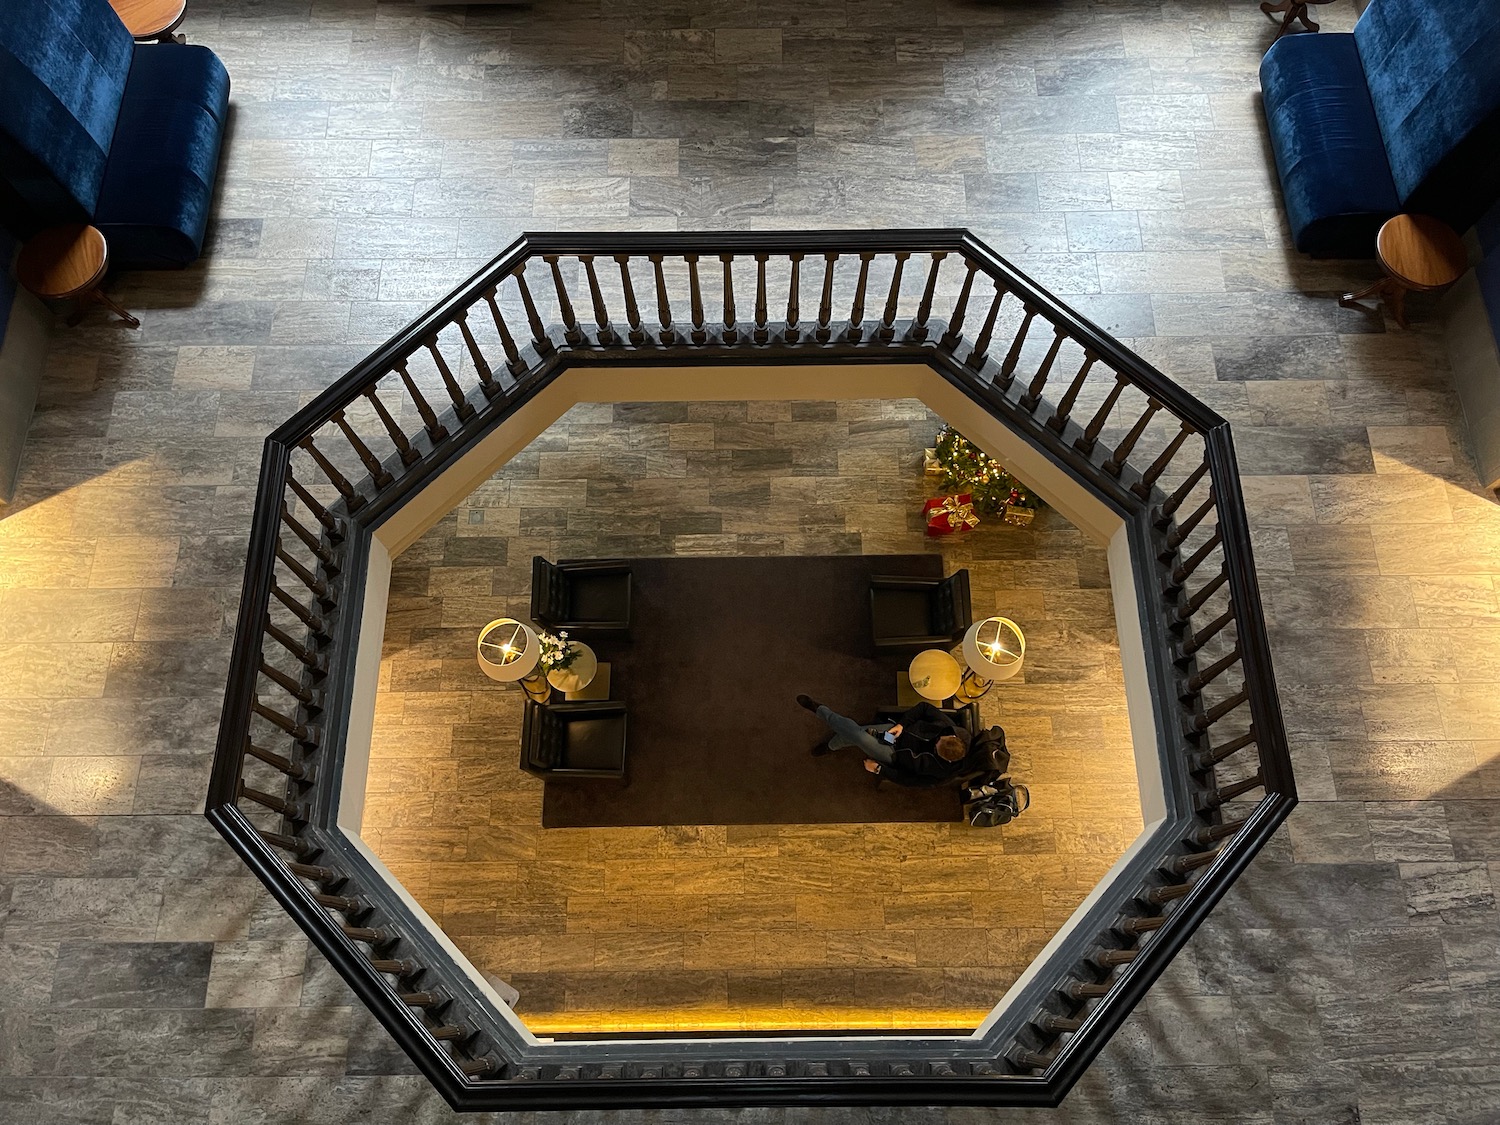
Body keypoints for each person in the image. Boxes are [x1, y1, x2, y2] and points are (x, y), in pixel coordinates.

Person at [796, 694, 971, 781]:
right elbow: (924, 707)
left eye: (936, 747)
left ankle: (820, 710)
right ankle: (833, 745)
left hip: (894, 756)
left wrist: (880, 770)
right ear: (950, 736)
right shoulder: (946, 728)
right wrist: (902, 724)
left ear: (943, 759)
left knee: (859, 735)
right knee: (857, 735)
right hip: (897, 733)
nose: (936, 741)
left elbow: (909, 780)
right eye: (940, 739)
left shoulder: (941, 771)